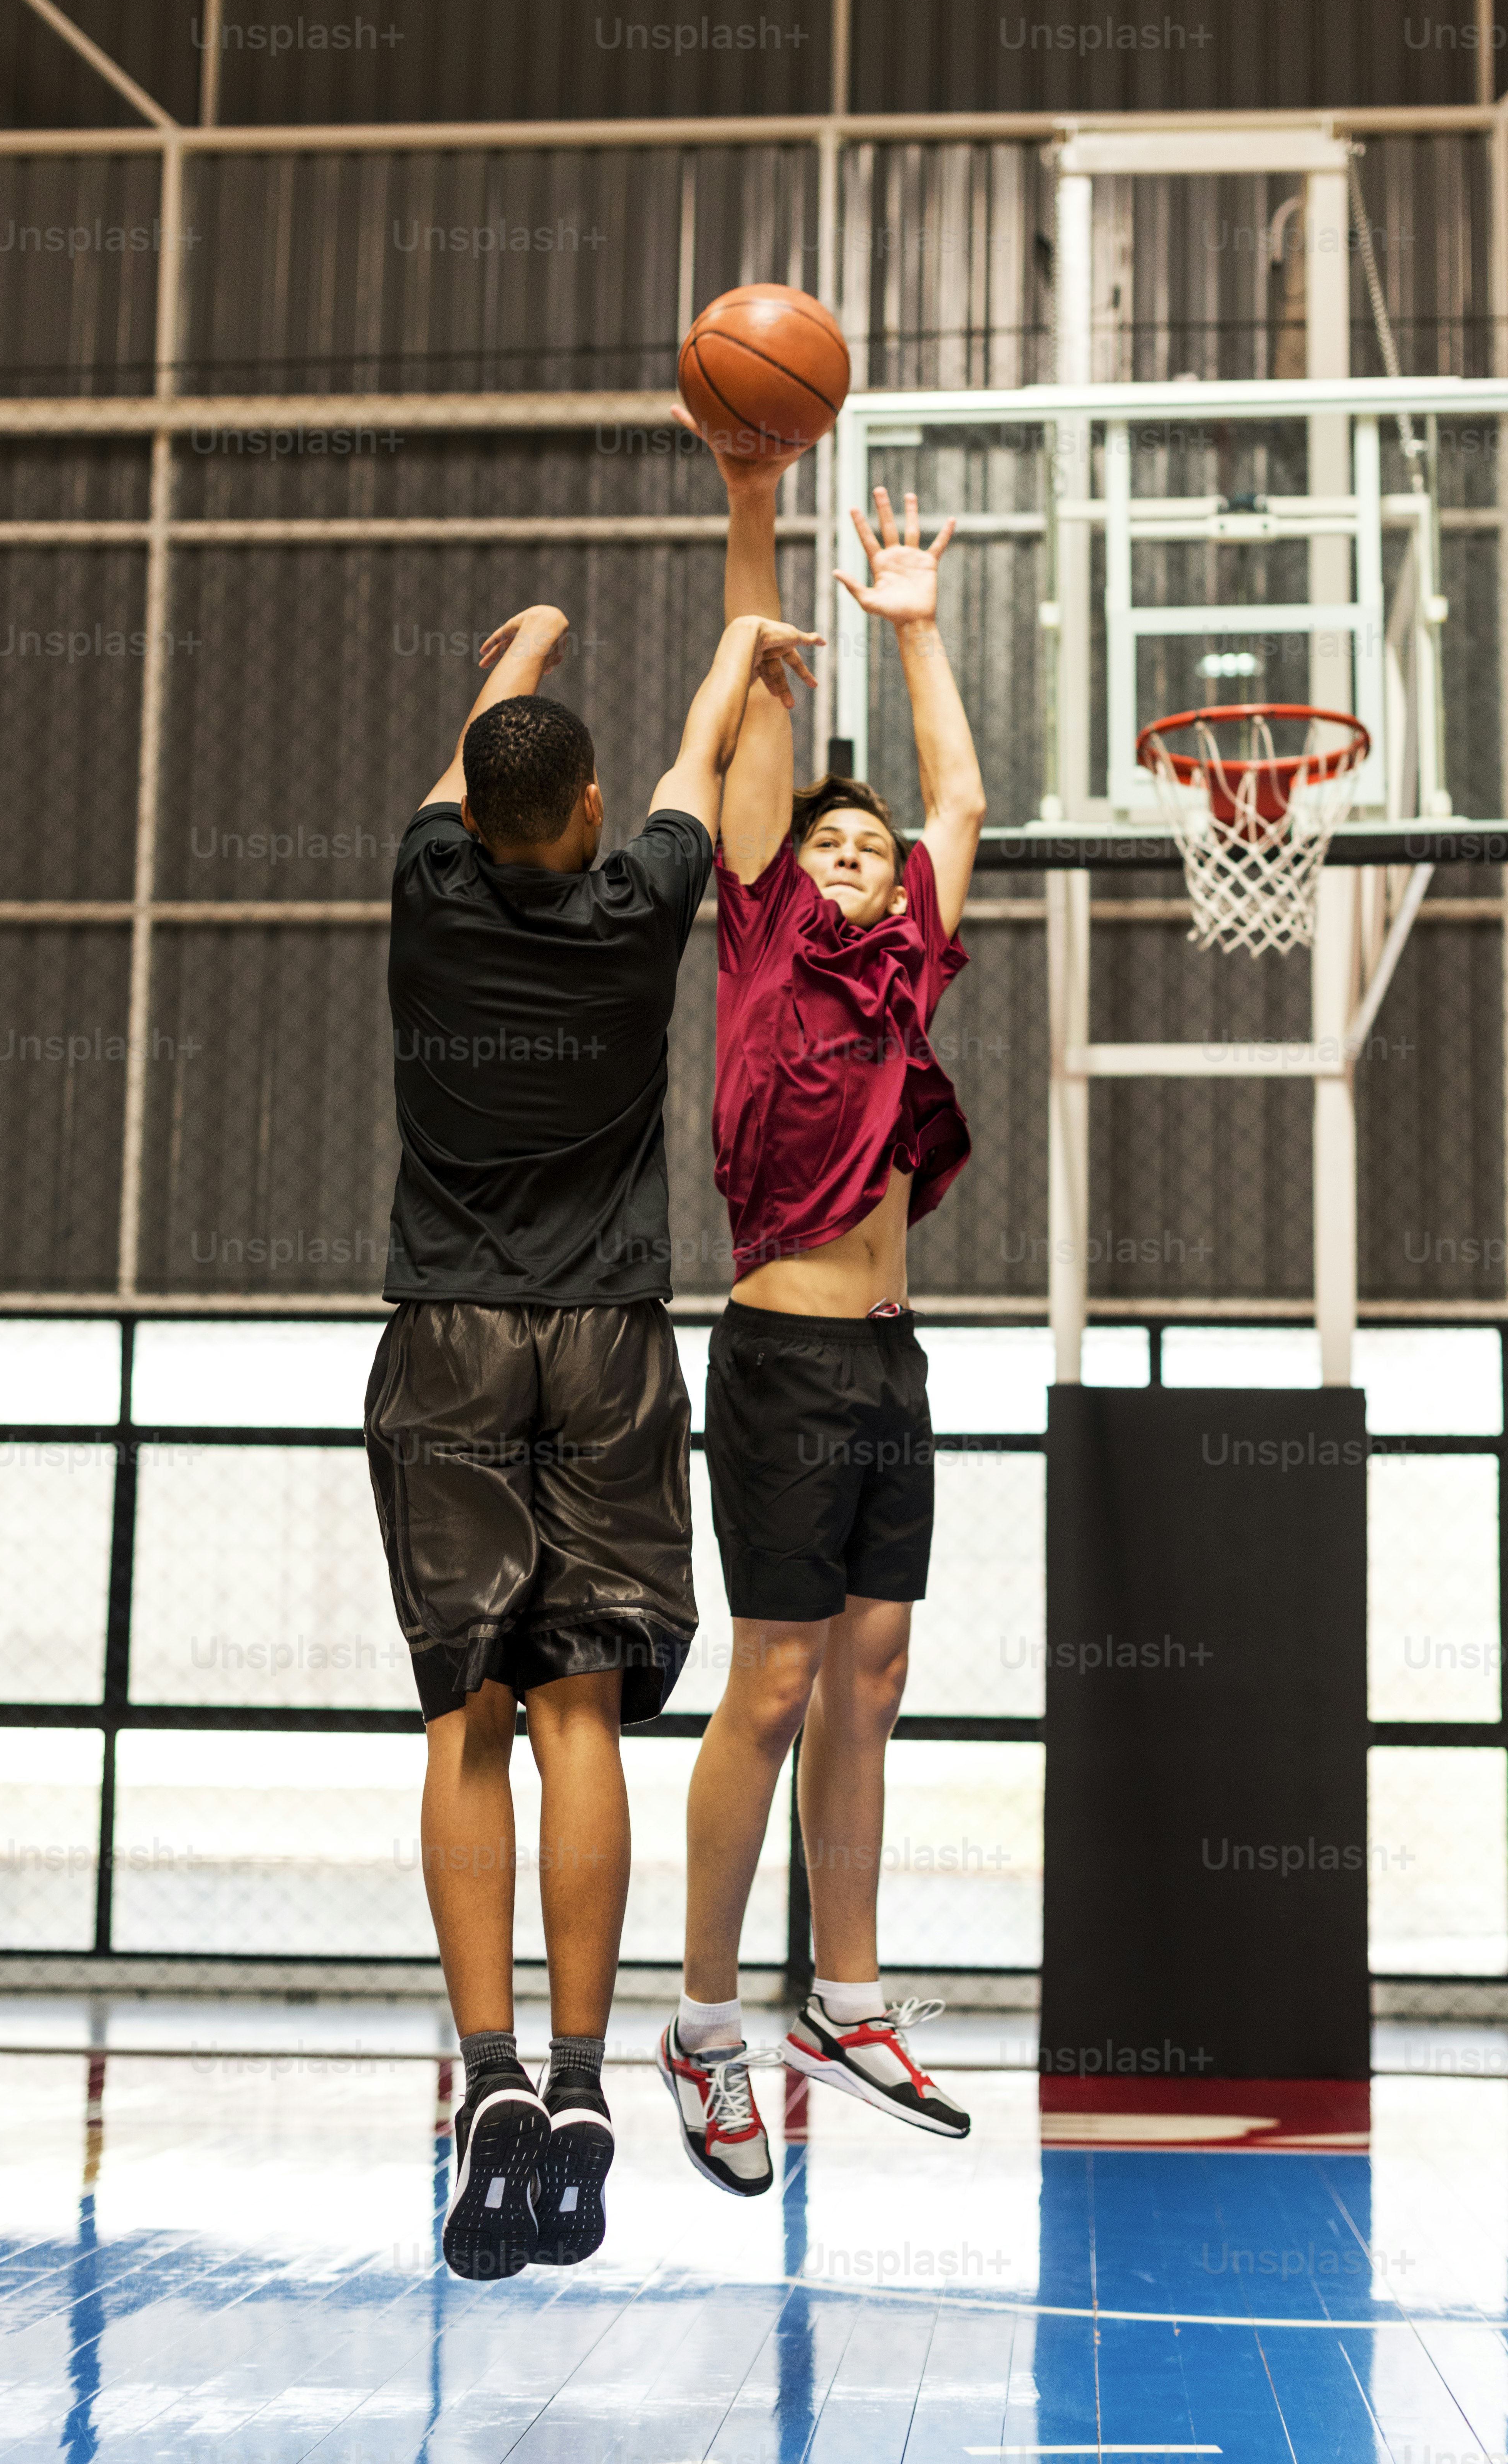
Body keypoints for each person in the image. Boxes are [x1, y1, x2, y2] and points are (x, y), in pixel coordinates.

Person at [365, 595, 820, 2278]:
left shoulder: (427, 893)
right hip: (609, 1346)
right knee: (579, 1722)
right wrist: (731, 652)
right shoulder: (640, 906)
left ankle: (483, 2082)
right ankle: (576, 2081)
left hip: (449, 1341)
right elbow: (702, 752)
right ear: (584, 817)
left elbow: (473, 770)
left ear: (472, 824)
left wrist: (525, 643)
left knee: (462, 1721)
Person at [657, 427, 987, 2199]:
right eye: (834, 840)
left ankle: (841, 2000)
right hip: (780, 1353)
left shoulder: (907, 946)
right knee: (772, 1678)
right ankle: (705, 2021)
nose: (859, 849)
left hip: (887, 1357)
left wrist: (920, 627)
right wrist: (755, 503)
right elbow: (761, 733)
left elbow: (958, 805)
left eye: (874, 846)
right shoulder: (771, 924)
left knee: (873, 1672)